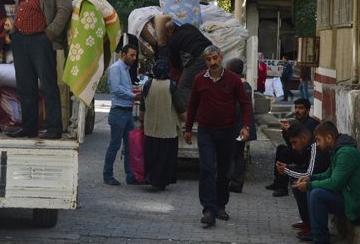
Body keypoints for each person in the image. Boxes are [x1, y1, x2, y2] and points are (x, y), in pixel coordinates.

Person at [6, 0, 72, 140]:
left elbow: (64, 10)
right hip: (21, 39)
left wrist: (49, 34)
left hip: (41, 40)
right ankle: (29, 127)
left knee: (49, 85)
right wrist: (14, 33)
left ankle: (53, 128)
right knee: (25, 87)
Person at [184, 45, 252, 227]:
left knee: (224, 171)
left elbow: (245, 104)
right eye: (208, 59)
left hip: (228, 131)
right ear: (205, 61)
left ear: (221, 58)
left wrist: (245, 126)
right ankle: (208, 209)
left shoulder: (234, 80)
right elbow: (192, 106)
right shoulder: (199, 80)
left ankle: (221, 204)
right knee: (207, 169)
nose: (212, 62)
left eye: (215, 58)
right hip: (206, 131)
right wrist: (188, 128)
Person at [292, 121, 360, 244]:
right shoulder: (337, 150)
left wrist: (309, 185)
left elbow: (335, 182)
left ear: (328, 138)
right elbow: (328, 174)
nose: (317, 144)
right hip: (350, 199)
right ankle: (315, 234)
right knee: (312, 189)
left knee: (317, 194)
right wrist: (310, 178)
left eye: (318, 140)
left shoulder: (345, 153)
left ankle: (320, 240)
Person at [274, 120, 330, 241]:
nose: (293, 147)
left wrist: (287, 170)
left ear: (304, 138)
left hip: (323, 182)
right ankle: (307, 222)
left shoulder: (315, 147)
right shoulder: (307, 148)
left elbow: (309, 174)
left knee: (300, 183)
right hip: (319, 178)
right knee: (295, 178)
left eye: (295, 143)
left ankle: (312, 226)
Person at [138, 59, 187, 190]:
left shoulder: (147, 85)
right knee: (165, 157)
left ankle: (152, 178)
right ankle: (162, 181)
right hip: (167, 129)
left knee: (152, 155)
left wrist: (141, 122)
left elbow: (142, 107)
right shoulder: (172, 85)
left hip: (151, 128)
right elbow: (180, 107)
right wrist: (188, 120)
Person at [103, 44, 142, 186]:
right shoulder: (116, 68)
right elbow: (116, 89)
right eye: (131, 55)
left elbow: (124, 88)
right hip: (118, 112)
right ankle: (107, 175)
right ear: (123, 54)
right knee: (115, 145)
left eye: (135, 55)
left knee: (130, 145)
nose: (134, 58)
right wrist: (133, 96)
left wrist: (135, 92)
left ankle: (130, 176)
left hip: (127, 112)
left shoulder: (125, 69)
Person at [266, 98, 320, 197]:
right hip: (299, 152)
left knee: (285, 152)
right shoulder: (295, 122)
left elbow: (305, 142)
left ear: (307, 110)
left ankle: (282, 188)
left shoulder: (311, 123)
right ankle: (277, 181)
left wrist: (289, 130)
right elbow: (291, 144)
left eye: (301, 108)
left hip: (307, 155)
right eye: (296, 108)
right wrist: (286, 132)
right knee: (281, 148)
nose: (297, 111)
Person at [225, 58, 257, 194]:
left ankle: (233, 181)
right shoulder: (246, 85)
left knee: (232, 154)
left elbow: (238, 108)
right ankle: (236, 183)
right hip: (242, 127)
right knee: (238, 154)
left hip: (236, 127)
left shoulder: (235, 84)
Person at [162, 22, 212, 107]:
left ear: (169, 31)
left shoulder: (173, 40)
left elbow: (176, 63)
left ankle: (194, 114)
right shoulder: (188, 26)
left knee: (183, 86)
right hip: (211, 50)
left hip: (198, 57)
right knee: (205, 83)